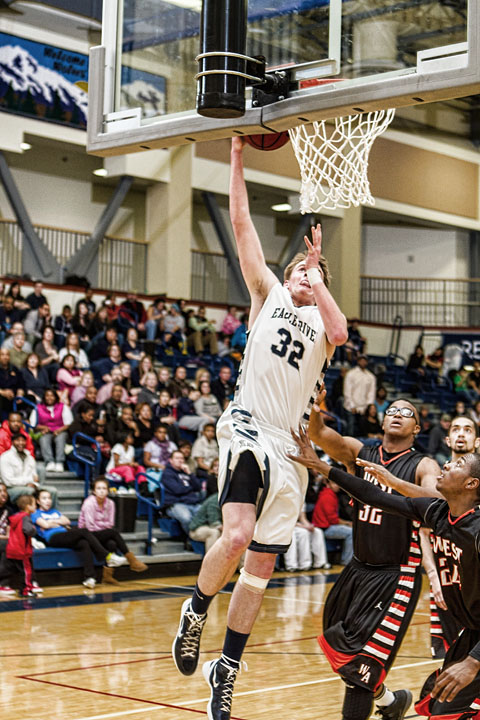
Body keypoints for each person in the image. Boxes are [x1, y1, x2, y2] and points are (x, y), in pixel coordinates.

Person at [172, 136, 347, 720]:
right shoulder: (268, 293)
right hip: (249, 426)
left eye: (311, 271)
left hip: (290, 449)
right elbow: (242, 220)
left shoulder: (324, 324)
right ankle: (196, 609)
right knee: (238, 535)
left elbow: (342, 333)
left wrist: (318, 278)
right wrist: (239, 154)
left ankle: (227, 668)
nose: (302, 274)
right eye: (298, 267)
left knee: (262, 566)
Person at [291, 426, 480, 720]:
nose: (446, 463)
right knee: (442, 709)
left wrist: (473, 662)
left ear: (471, 484)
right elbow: (375, 497)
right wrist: (321, 466)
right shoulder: (439, 513)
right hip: (473, 632)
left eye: (456, 465)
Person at [32, 489, 125, 589]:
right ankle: (107, 556)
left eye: (49, 498)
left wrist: (52, 522)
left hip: (66, 534)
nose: (48, 501)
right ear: (38, 501)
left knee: (84, 542)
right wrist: (56, 522)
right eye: (44, 498)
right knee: (84, 531)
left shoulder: (55, 511)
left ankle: (89, 578)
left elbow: (67, 521)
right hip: (53, 538)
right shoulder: (35, 513)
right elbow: (45, 525)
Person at [78, 477, 147, 583]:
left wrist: (101, 525)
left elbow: (110, 523)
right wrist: (103, 526)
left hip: (101, 533)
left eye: (104, 488)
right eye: (99, 488)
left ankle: (107, 576)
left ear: (108, 490)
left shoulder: (111, 503)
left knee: (112, 543)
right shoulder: (89, 503)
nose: (101, 491)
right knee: (113, 532)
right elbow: (90, 527)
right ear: (94, 491)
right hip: (88, 535)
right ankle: (131, 559)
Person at [0, 433, 58, 506]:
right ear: (12, 442)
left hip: (29, 486)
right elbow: (8, 481)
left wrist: (34, 484)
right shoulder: (5, 457)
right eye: (17, 440)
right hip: (11, 489)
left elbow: (35, 478)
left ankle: (53, 514)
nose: (21, 443)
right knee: (30, 491)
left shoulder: (30, 457)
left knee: (53, 491)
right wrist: (29, 481)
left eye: (23, 441)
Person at [0, 494, 37, 596]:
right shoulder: (25, 518)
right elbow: (28, 530)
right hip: (22, 550)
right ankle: (25, 590)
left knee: (9, 569)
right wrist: (34, 530)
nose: (35, 507)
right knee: (26, 572)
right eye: (34, 504)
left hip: (12, 548)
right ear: (28, 507)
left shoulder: (16, 517)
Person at [312, 475, 353, 566]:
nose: (337, 486)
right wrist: (348, 523)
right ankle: (346, 561)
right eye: (334, 483)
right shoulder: (328, 496)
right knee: (351, 532)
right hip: (325, 528)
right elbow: (332, 519)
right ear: (327, 483)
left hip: (326, 525)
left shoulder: (329, 493)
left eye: (338, 484)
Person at [161, 449, 203, 535]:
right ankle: (192, 538)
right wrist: (190, 488)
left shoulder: (186, 472)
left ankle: (201, 537)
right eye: (177, 458)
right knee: (186, 518)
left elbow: (198, 487)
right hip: (176, 504)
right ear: (171, 460)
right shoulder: (167, 473)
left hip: (192, 502)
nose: (180, 460)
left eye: (182, 458)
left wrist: (190, 473)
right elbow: (177, 490)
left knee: (207, 516)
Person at [33, 389, 73, 473]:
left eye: (52, 395)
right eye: (47, 395)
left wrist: (59, 430)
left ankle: (59, 462)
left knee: (60, 438)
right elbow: (33, 424)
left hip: (60, 430)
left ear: (55, 397)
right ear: (44, 397)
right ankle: (49, 462)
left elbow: (68, 423)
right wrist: (43, 427)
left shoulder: (63, 406)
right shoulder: (38, 408)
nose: (49, 398)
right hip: (45, 431)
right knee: (43, 438)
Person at [283, 506, 329, 572]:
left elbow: (302, 518)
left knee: (317, 532)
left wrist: (308, 525)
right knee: (297, 534)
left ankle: (317, 563)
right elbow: (283, 520)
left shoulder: (301, 498)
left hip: (296, 525)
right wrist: (302, 526)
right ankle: (291, 566)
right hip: (284, 525)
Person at [342, 354, 377, 436]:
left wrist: (368, 408)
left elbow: (371, 393)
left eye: (365, 360)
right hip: (351, 407)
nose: (363, 362)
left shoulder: (371, 377)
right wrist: (352, 406)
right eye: (361, 360)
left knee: (363, 431)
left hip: (364, 408)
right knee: (350, 430)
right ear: (358, 361)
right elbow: (347, 391)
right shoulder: (351, 374)